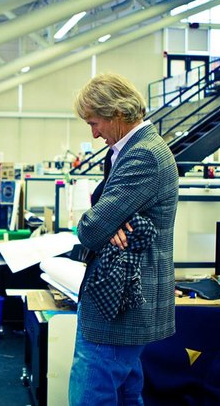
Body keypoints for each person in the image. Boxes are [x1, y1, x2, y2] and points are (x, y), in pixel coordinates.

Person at [69, 72, 179, 406]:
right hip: (122, 299)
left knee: (91, 394)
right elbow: (102, 219)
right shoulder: (130, 150)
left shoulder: (143, 155)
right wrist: (108, 221)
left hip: (120, 304)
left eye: (95, 122)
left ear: (117, 113)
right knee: (126, 393)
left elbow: (90, 228)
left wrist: (104, 222)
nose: (94, 132)